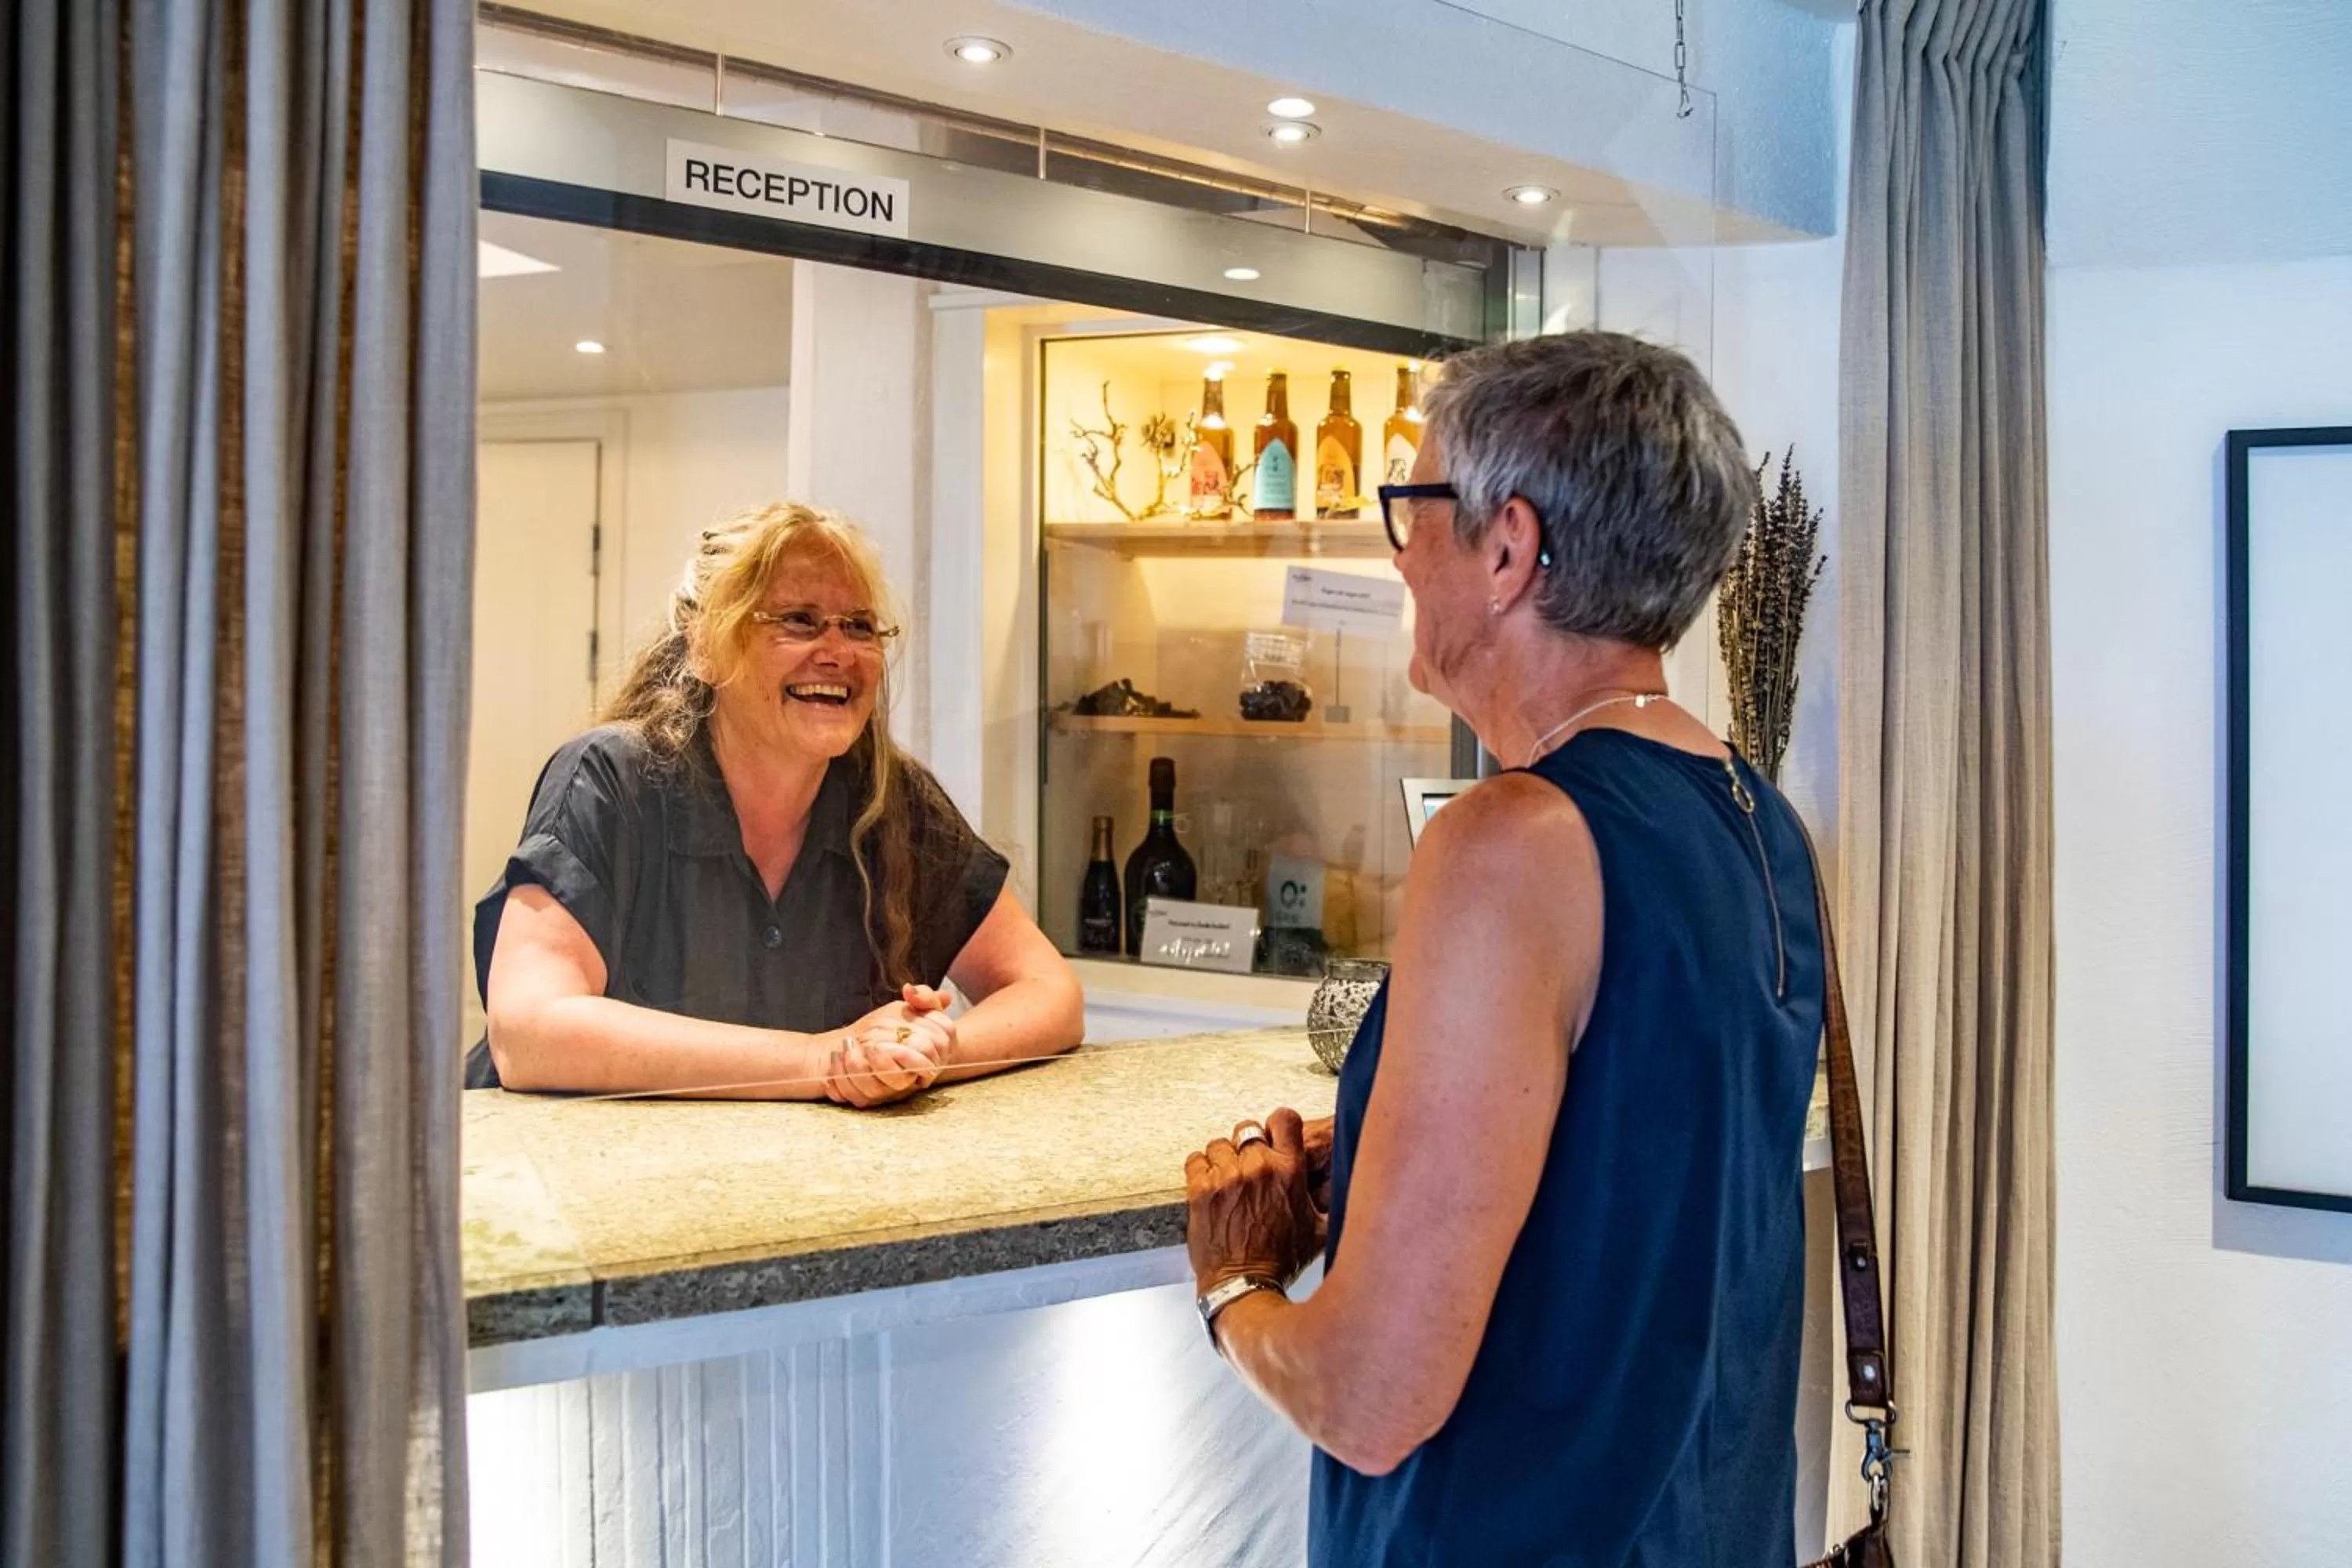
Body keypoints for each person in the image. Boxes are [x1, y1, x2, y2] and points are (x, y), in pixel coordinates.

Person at [1182, 332, 1824, 1564]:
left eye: (1412, 508)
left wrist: (1235, 1286)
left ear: (1509, 548)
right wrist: (1389, 1155)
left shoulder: (1516, 838)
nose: (1400, 553)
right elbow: (1633, 1164)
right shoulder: (1758, 818)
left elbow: (1370, 1400)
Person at [472, 502, 1083, 1105]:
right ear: (707, 647)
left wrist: (923, 1054)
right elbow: (529, 1030)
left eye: (860, 625)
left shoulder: (890, 800)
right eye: (798, 620)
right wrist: (822, 1061)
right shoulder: (609, 779)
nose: (839, 651)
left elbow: (1048, 989)